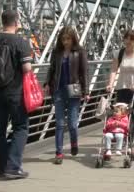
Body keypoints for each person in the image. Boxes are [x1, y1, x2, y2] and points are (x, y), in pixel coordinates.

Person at [0, 10, 33, 179]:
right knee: (21, 127)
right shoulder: (21, 42)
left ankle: (2, 168)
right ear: (16, 22)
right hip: (15, 92)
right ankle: (13, 167)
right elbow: (26, 69)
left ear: (2, 22)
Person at [44, 26, 89, 165]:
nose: (66, 42)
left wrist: (86, 91)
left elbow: (84, 71)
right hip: (58, 90)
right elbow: (51, 68)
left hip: (74, 89)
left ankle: (74, 142)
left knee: (73, 124)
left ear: (73, 38)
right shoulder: (56, 52)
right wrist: (46, 83)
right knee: (59, 123)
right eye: (63, 39)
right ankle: (59, 153)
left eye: (68, 39)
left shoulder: (80, 51)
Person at [107, 30, 134, 146]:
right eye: (127, 38)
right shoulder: (119, 53)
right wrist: (110, 84)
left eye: (132, 39)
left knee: (133, 114)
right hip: (122, 86)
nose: (129, 41)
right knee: (121, 114)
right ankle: (121, 137)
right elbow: (114, 70)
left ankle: (129, 141)